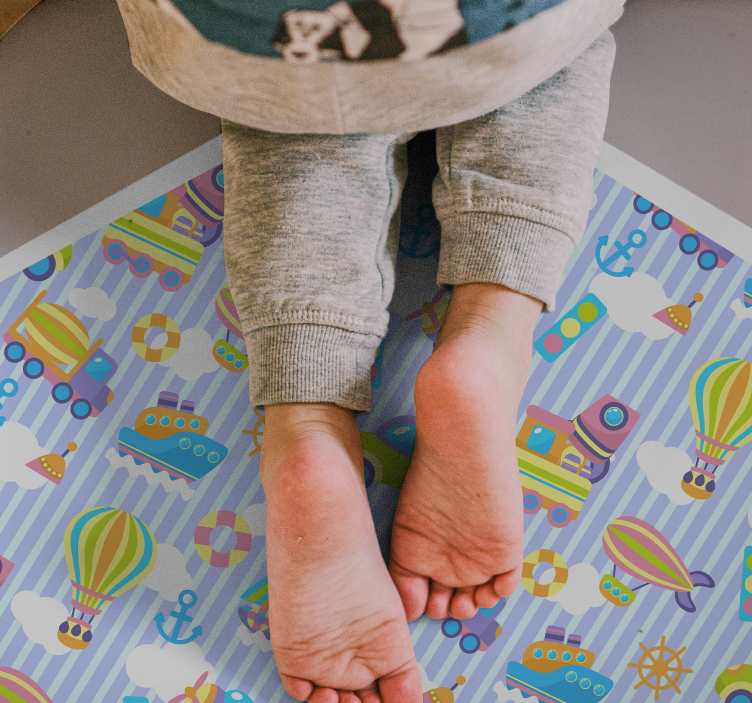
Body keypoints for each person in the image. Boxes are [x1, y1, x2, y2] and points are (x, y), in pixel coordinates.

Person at [114, 1, 625, 700]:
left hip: (253, 37)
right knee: (539, 70)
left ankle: (308, 418)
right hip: (488, 27)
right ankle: (490, 327)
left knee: (295, 131)